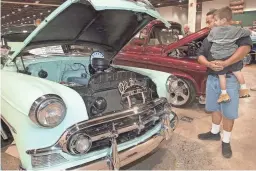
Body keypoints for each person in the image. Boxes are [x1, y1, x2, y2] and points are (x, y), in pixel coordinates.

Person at [197, 8, 252, 158]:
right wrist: (208, 64)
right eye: (208, 22)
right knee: (214, 108)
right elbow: (200, 55)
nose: (209, 24)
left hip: (229, 80)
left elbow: (246, 47)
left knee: (228, 113)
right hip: (213, 79)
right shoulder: (210, 36)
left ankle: (226, 141)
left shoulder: (235, 32)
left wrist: (225, 63)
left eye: (211, 21)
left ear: (222, 20)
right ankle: (215, 132)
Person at [207, 6, 251, 103]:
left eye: (216, 20)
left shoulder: (214, 31)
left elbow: (210, 39)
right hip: (232, 56)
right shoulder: (236, 30)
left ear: (223, 20)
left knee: (221, 76)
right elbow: (247, 32)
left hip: (219, 58)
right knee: (237, 72)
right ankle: (244, 89)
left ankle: (224, 94)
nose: (215, 23)